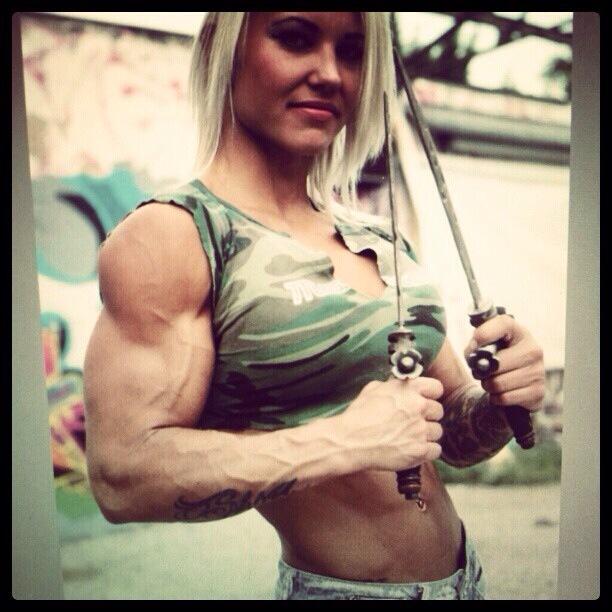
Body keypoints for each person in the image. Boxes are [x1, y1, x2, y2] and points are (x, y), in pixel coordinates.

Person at [83, 12, 545, 600]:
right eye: (296, 38)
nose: (330, 73)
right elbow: (123, 476)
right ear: (227, 45)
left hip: (466, 579)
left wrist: (504, 397)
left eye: (351, 51)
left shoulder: (379, 239)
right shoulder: (177, 236)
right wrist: (344, 441)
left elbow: (451, 435)